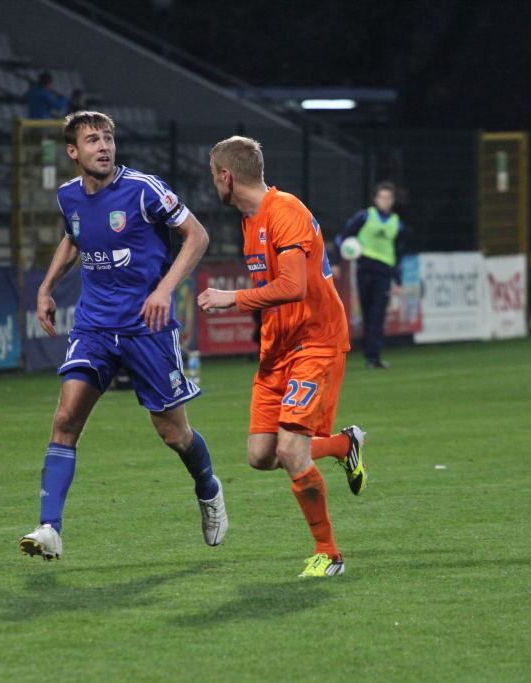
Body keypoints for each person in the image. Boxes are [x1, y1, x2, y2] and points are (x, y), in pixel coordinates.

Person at [19, 111, 227, 561]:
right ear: (73, 152)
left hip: (146, 328)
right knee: (65, 419)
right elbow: (73, 237)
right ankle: (49, 528)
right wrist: (45, 286)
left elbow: (197, 235)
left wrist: (164, 291)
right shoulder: (69, 196)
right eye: (93, 140)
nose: (104, 146)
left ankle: (208, 488)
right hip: (94, 327)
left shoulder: (144, 189)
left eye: (108, 138)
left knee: (174, 434)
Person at [198, 136, 368, 578]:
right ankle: (345, 444)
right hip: (278, 347)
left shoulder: (285, 211)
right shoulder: (251, 220)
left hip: (315, 341)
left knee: (292, 449)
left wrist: (230, 298)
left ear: (226, 176)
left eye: (213, 175)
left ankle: (329, 553)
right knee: (261, 454)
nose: (212, 183)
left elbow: (294, 287)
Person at [337, 181, 405, 369]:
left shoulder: (396, 223)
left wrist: (398, 280)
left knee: (377, 314)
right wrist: (336, 260)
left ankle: (373, 356)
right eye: (382, 197)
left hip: (384, 274)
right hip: (364, 271)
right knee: (367, 313)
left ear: (392, 201)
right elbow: (343, 236)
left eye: (389, 198)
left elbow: (398, 253)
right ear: (376, 199)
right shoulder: (365, 216)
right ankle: (368, 353)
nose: (385, 201)